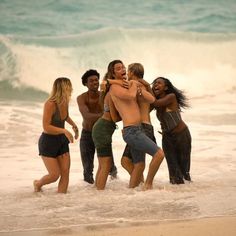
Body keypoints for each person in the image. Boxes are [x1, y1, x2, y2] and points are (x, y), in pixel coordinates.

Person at [109, 60, 164, 189]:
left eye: (124, 68)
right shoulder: (118, 87)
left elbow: (151, 99)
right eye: (119, 68)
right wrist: (134, 85)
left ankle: (133, 192)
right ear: (112, 73)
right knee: (157, 155)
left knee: (139, 165)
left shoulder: (131, 85)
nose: (123, 70)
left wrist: (138, 87)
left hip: (139, 129)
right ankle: (146, 185)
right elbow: (131, 96)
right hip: (132, 131)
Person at [34, 77, 79, 193]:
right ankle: (38, 184)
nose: (71, 89)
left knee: (65, 172)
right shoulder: (50, 104)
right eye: (69, 86)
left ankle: (61, 201)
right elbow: (46, 126)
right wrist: (64, 131)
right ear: (63, 88)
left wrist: (74, 125)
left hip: (61, 141)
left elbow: (65, 116)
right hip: (48, 142)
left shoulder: (65, 101)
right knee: (54, 175)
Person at [119, 63, 157, 186]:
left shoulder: (135, 86)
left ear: (132, 72)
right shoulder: (143, 86)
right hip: (145, 126)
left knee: (136, 163)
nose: (126, 74)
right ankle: (139, 183)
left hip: (141, 128)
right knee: (127, 161)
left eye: (128, 71)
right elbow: (150, 103)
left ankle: (140, 185)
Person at [77, 69, 117, 184]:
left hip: (102, 134)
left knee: (110, 167)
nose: (95, 82)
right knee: (87, 169)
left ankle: (116, 188)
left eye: (96, 80)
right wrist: (105, 115)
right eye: (91, 81)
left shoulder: (104, 96)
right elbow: (87, 116)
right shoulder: (82, 98)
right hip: (87, 134)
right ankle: (91, 194)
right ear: (85, 83)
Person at [151, 77, 192, 184]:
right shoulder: (155, 100)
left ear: (166, 87)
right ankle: (176, 196)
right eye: (154, 83)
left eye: (159, 83)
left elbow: (156, 103)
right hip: (167, 138)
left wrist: (146, 87)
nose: (155, 85)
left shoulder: (170, 97)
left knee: (184, 171)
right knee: (173, 171)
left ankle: (189, 193)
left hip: (182, 136)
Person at [92, 65, 122, 190]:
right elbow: (114, 118)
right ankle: (99, 192)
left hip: (101, 128)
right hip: (103, 129)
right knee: (106, 164)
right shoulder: (111, 94)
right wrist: (128, 115)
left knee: (102, 164)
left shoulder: (108, 93)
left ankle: (96, 191)